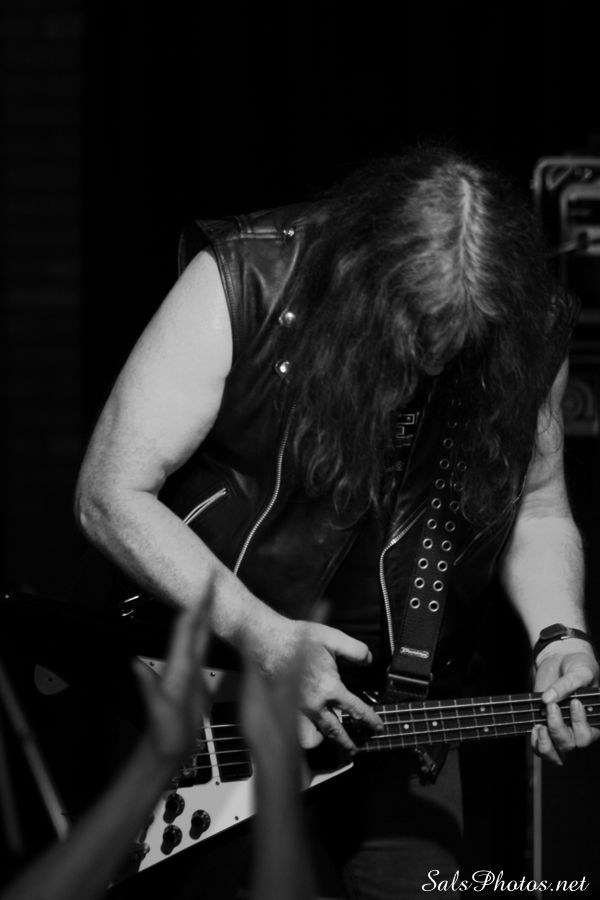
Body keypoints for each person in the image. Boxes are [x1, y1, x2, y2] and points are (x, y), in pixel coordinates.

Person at [72, 144, 599, 898]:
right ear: (359, 275)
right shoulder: (248, 280)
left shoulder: (529, 326)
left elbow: (539, 506)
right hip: (221, 699)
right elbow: (110, 494)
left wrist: (560, 634)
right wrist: (262, 633)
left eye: (460, 338)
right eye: (414, 332)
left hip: (404, 715)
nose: (433, 360)